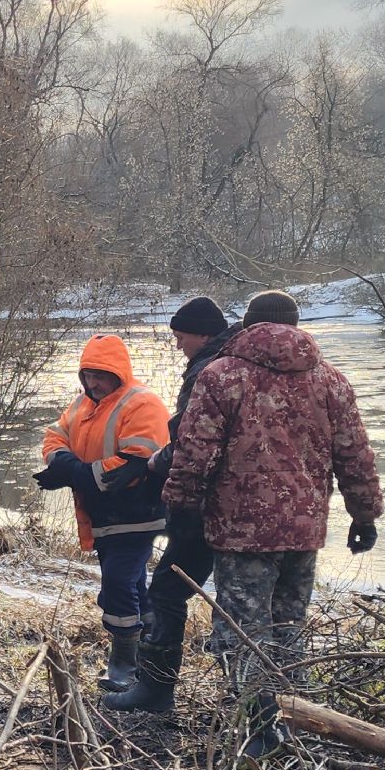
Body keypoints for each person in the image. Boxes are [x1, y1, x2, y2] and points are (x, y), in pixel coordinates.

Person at [162, 290, 382, 759]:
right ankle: (296, 722)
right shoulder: (332, 381)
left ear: (248, 324)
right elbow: (355, 455)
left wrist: (180, 507)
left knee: (244, 629)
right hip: (304, 529)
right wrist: (364, 515)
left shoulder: (222, 376)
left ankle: (257, 728)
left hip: (241, 531)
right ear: (298, 324)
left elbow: (195, 451)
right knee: (289, 624)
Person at [106, 296, 239, 714]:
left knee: (166, 590)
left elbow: (191, 442)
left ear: (202, 333)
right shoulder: (250, 365)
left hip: (209, 505)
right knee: (250, 604)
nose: (178, 345)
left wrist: (157, 475)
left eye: (181, 337)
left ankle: (156, 689)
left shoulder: (211, 370)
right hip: (264, 513)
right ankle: (250, 700)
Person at [34, 334, 170, 693]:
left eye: (100, 375)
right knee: (130, 584)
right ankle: (151, 647)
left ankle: (124, 661)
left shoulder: (142, 404)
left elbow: (138, 460)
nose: (93, 382)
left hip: (137, 511)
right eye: (87, 374)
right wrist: (62, 461)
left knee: (118, 584)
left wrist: (77, 474)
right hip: (103, 515)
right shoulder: (82, 404)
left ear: (118, 372)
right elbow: (53, 437)